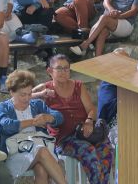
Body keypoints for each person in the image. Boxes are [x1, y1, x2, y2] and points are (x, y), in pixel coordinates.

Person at [33, 55, 114, 183]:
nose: (63, 72)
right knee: (89, 151)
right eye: (59, 68)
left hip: (85, 133)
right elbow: (23, 96)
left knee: (106, 149)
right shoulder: (45, 89)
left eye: (66, 68)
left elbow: (91, 109)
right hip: (63, 139)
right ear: (50, 71)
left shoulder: (78, 86)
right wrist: (40, 95)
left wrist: (88, 121)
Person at [0, 70, 66, 183]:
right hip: (16, 153)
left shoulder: (36, 104)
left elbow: (59, 117)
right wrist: (33, 122)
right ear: (12, 92)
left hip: (38, 151)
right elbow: (6, 126)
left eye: (29, 94)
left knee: (41, 169)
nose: (27, 98)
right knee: (41, 150)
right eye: (23, 94)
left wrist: (48, 118)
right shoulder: (2, 107)